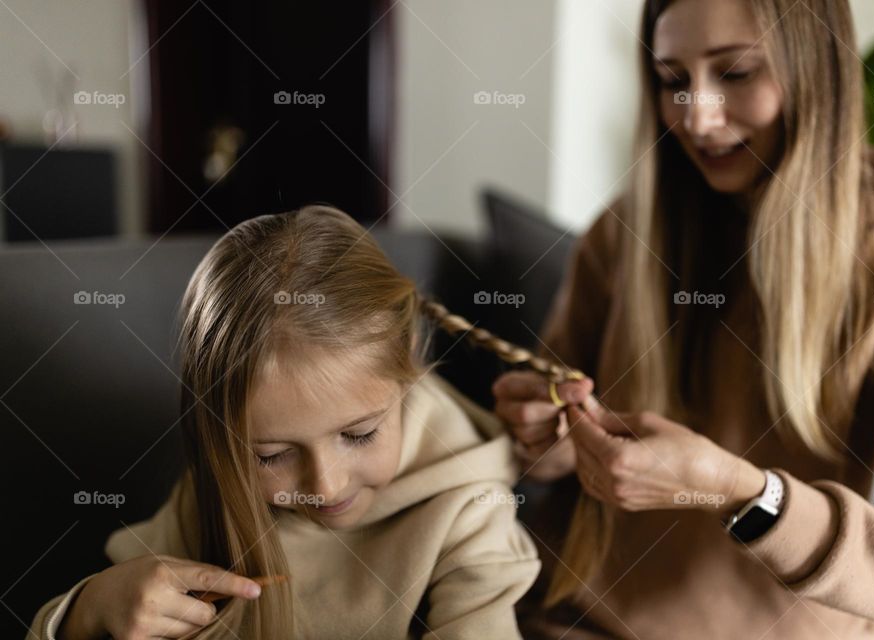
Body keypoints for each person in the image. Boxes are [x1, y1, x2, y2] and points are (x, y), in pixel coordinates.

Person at [494, 0, 874, 638]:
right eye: (672, 80)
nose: (697, 117)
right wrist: (540, 439)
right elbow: (544, 451)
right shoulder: (627, 232)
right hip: (569, 620)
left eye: (736, 73)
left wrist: (743, 495)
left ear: (819, 71)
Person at [29, 205, 540, 639]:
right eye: (271, 455)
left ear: (407, 365)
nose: (325, 484)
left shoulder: (473, 514)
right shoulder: (214, 492)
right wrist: (89, 610)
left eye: (360, 434)